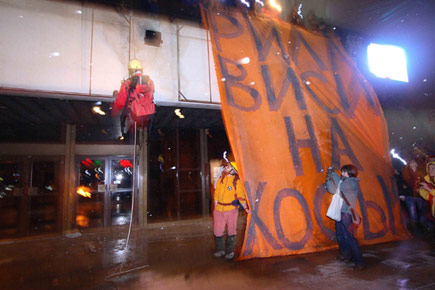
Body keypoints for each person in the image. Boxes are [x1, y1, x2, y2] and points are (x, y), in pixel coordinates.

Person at [326, 164, 366, 270]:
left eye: (344, 171)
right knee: (340, 235)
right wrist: (328, 177)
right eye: (342, 171)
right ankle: (345, 254)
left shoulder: (352, 183)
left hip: (346, 214)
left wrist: (332, 173)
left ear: (350, 172)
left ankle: (359, 261)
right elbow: (332, 190)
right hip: (340, 212)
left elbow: (340, 187)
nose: (342, 173)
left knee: (349, 238)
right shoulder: (342, 181)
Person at [213, 161, 249, 259]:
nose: (225, 167)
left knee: (231, 230)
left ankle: (230, 251)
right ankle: (220, 250)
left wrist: (245, 207)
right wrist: (216, 204)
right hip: (219, 209)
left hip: (231, 210)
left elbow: (241, 196)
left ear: (233, 171)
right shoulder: (221, 179)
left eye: (228, 167)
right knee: (218, 230)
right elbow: (216, 193)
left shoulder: (236, 181)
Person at [112, 58, 155, 138]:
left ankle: (124, 135)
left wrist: (116, 97)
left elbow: (120, 103)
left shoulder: (127, 83)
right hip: (149, 115)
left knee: (126, 117)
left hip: (136, 115)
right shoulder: (150, 81)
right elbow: (150, 93)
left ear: (130, 71)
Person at [401, 158, 426, 233]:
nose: (412, 162)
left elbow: (426, 182)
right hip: (410, 196)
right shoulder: (405, 173)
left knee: (422, 212)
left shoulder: (422, 173)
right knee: (413, 213)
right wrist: (402, 195)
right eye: (410, 161)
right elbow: (402, 183)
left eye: (413, 161)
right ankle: (416, 231)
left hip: (421, 196)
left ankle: (424, 228)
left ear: (416, 164)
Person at [418, 160, 435, 238]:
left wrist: (429, 189)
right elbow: (429, 197)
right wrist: (422, 190)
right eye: (429, 168)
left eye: (433, 168)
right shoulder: (431, 181)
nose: (431, 170)